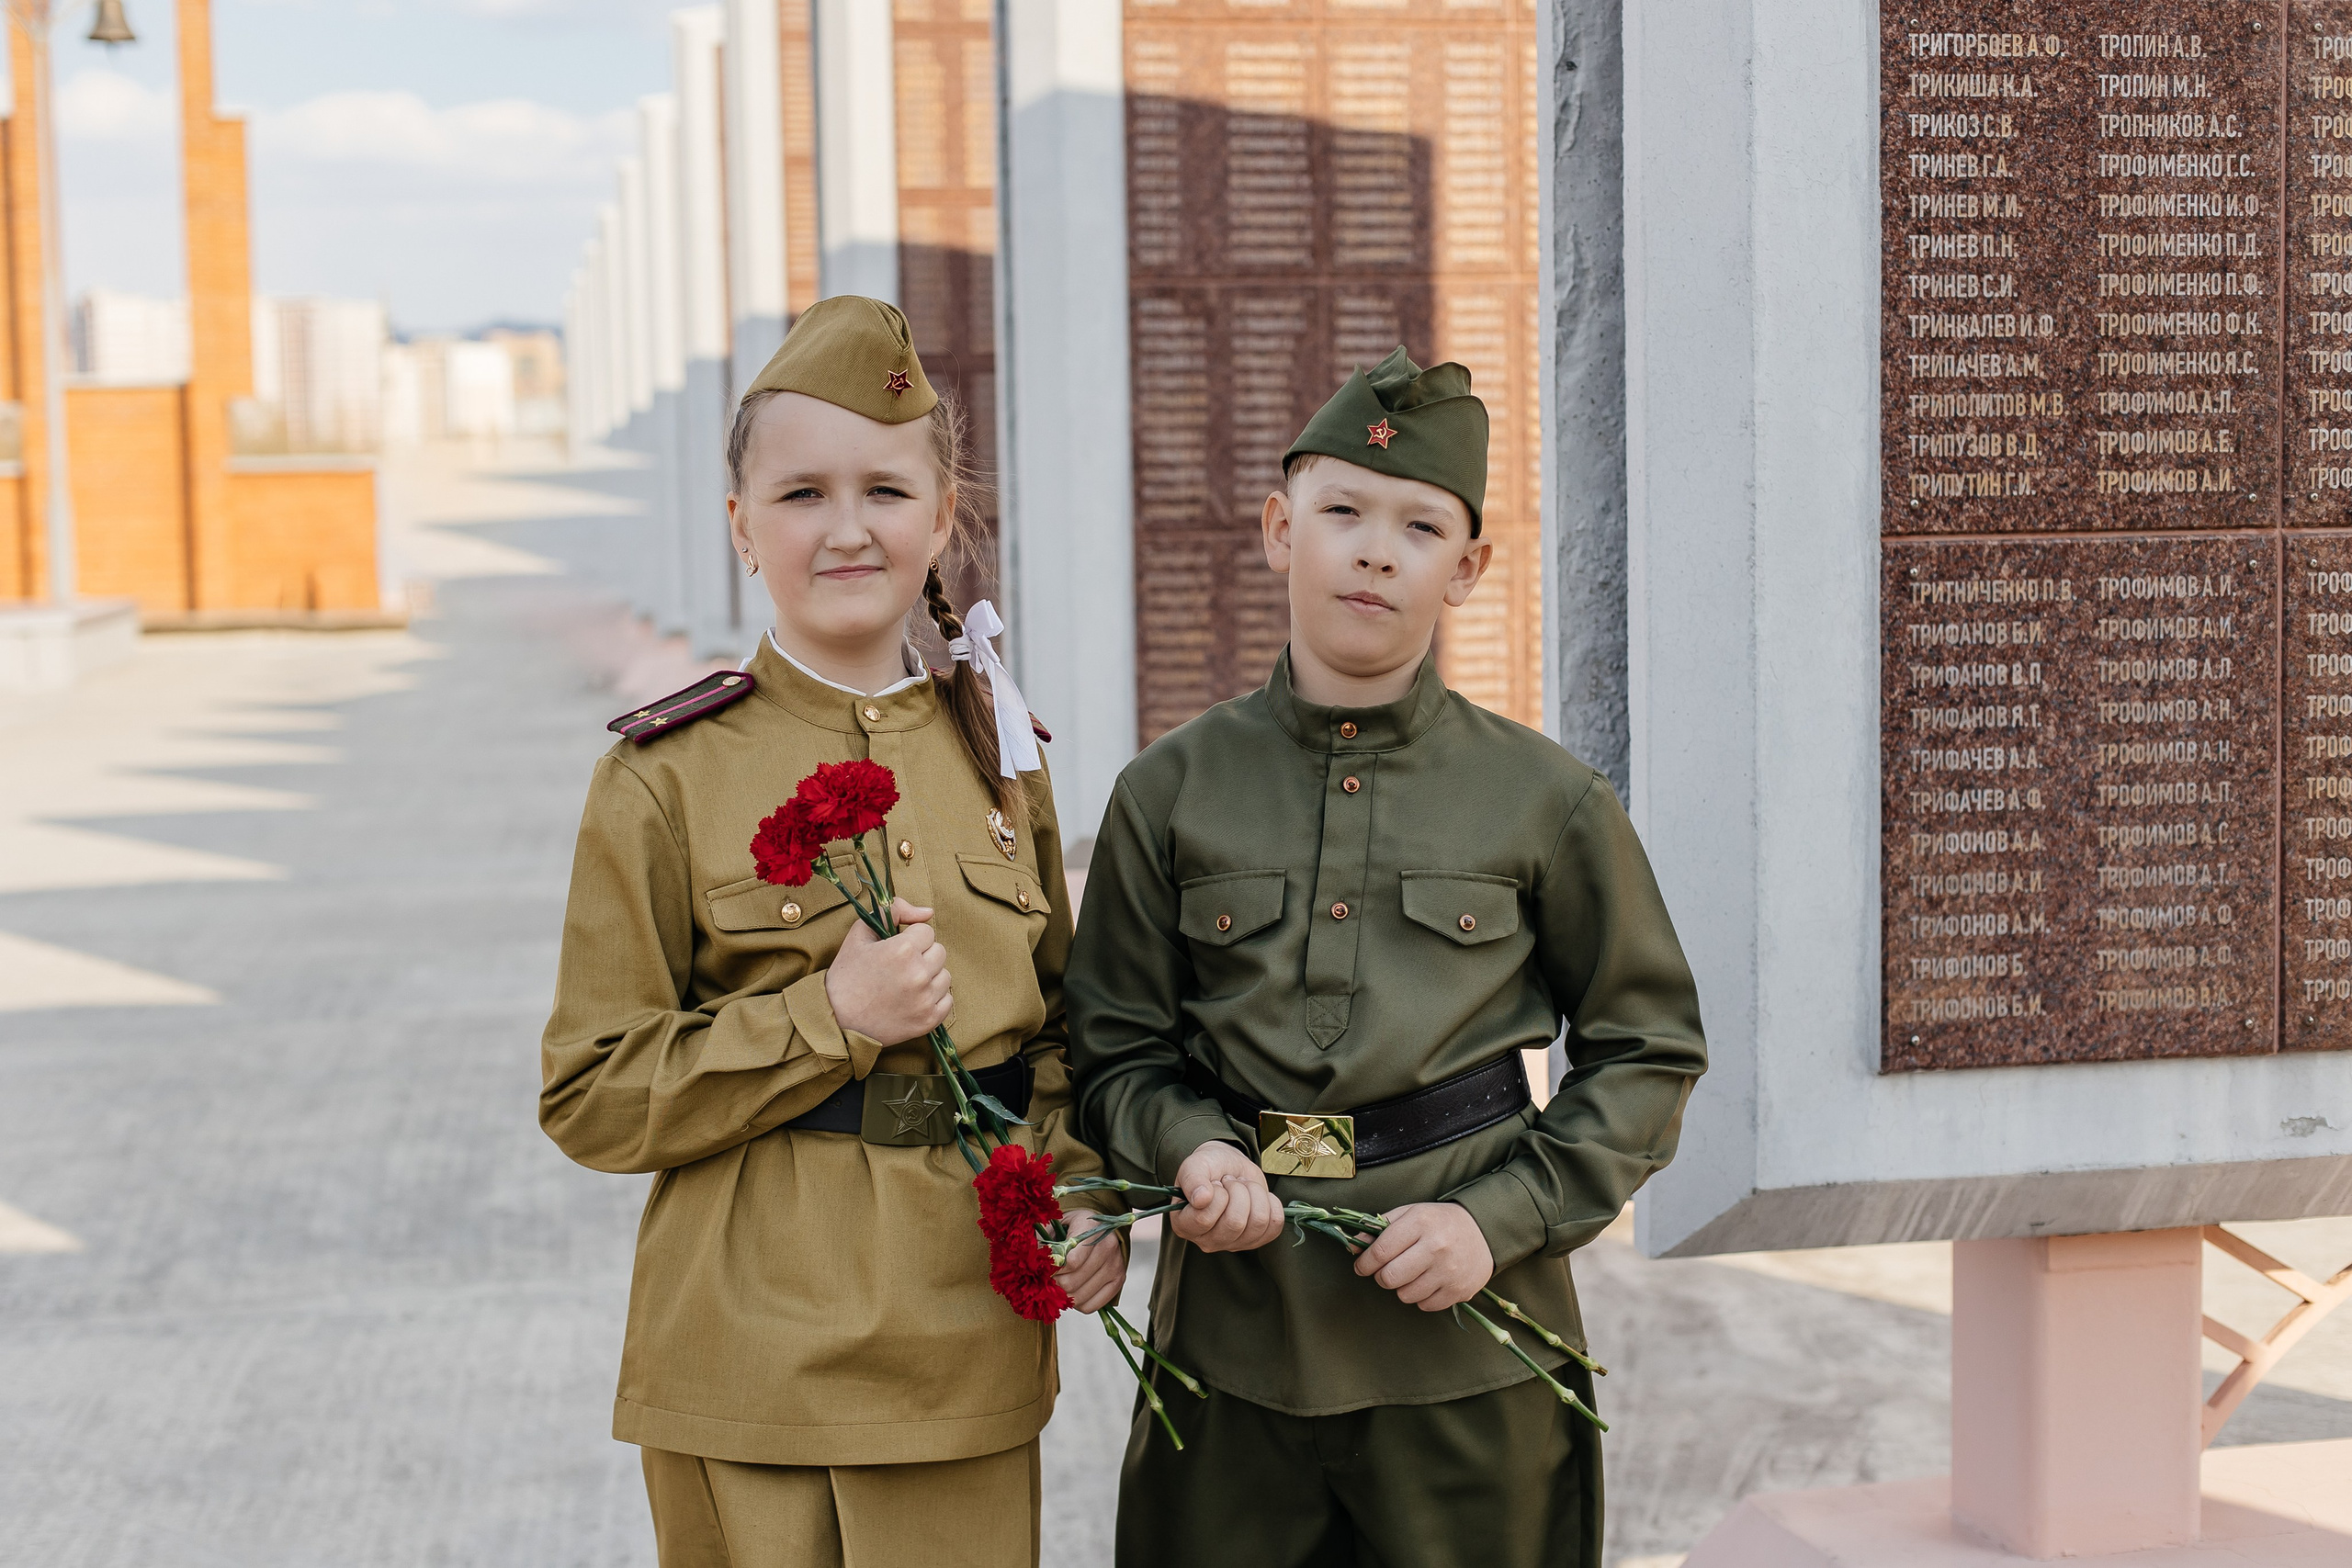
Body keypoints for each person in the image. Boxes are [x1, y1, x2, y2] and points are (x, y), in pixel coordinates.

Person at [1067, 348, 1708, 1567]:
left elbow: (1647, 1047)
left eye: (1419, 526)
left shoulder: (1545, 801)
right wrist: (1188, 1148)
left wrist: (1499, 1218)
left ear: (1465, 570)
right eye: (1342, 513)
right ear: (1277, 530)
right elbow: (1112, 1053)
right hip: (1233, 1350)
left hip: (1466, 1339)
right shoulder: (1170, 792)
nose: (1373, 550)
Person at [539, 296, 1124, 1568]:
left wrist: (1084, 1196)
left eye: (885, 490)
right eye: (801, 494)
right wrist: (828, 1019)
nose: (847, 528)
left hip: (962, 1346)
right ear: (743, 526)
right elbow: (590, 1094)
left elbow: (1066, 1032)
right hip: (748, 1357)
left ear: (943, 513)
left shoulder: (1002, 754)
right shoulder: (664, 778)